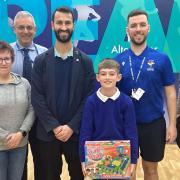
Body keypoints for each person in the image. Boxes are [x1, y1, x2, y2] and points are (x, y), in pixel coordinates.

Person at [31, 6, 95, 180]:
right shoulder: (40, 61)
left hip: (76, 134)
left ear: (74, 25)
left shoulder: (86, 62)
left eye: (68, 22)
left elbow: (89, 99)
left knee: (78, 176)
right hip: (48, 134)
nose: (64, 26)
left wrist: (71, 126)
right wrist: (54, 126)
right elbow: (37, 97)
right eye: (59, 22)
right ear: (52, 25)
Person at [114, 9, 177, 180]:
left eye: (142, 25)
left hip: (153, 125)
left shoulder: (162, 59)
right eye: (133, 26)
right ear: (128, 30)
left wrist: (172, 124)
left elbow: (171, 94)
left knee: (150, 169)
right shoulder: (117, 61)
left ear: (148, 28)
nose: (138, 29)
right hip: (125, 124)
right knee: (128, 171)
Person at [79, 59, 138, 179]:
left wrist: (133, 160)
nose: (107, 77)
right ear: (97, 77)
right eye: (103, 74)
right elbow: (85, 132)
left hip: (121, 156)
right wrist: (83, 159)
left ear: (119, 77)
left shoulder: (126, 102)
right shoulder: (91, 102)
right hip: (95, 156)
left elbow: (132, 133)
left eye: (111, 74)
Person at [10, 11, 47, 180]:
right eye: (21, 27)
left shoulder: (45, 53)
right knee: (18, 164)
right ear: (14, 29)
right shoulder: (5, 55)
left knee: (42, 162)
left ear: (35, 29)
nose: (25, 31)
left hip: (40, 118)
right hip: (15, 118)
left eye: (29, 27)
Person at [0, 40, 34, 180]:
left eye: (6, 58)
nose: (3, 62)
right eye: (0, 59)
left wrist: (21, 133)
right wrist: (6, 137)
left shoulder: (24, 83)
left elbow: (32, 109)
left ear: (12, 60)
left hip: (20, 145)